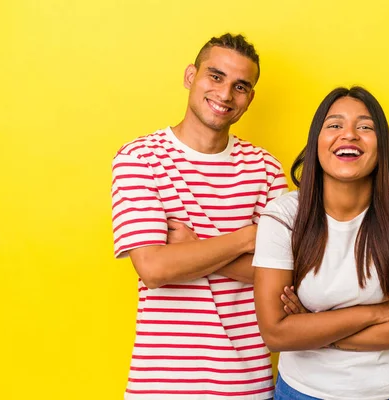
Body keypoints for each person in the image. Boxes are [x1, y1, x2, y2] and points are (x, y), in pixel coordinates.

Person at [111, 33, 287, 399]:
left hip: (246, 383)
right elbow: (154, 270)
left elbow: (283, 277)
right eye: (216, 76)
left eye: (241, 86)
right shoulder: (139, 159)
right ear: (191, 76)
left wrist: (191, 249)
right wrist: (247, 237)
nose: (225, 95)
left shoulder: (266, 168)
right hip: (160, 384)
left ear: (250, 97)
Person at [253, 86, 389, 399]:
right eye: (334, 125)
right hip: (304, 392)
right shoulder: (284, 215)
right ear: (316, 142)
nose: (350, 134)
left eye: (365, 127)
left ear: (381, 146)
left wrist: (315, 331)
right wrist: (377, 312)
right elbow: (276, 333)